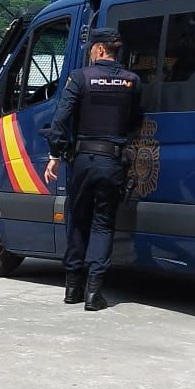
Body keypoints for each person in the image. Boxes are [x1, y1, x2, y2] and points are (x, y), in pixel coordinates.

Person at [44, 28, 145, 310]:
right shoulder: (132, 82)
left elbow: (61, 119)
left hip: (82, 161)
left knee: (77, 220)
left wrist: (55, 153)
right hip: (112, 161)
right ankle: (93, 293)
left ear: (99, 49)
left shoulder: (80, 78)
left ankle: (71, 289)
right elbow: (136, 120)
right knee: (103, 224)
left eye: (91, 48)